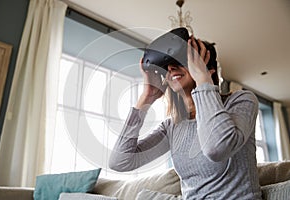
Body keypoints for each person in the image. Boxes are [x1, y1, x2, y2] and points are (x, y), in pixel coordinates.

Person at [109, 29, 262, 199]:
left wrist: (203, 81)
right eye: (167, 64)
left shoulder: (241, 101)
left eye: (182, 59)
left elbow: (217, 148)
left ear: (208, 68)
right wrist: (146, 99)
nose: (171, 67)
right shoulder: (172, 127)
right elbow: (120, 162)